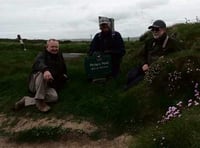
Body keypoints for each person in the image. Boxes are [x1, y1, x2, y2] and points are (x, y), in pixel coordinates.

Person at [125, 20, 182, 90]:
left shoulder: (171, 43)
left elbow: (180, 55)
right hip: (145, 67)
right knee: (130, 75)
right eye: (152, 29)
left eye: (157, 29)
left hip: (156, 71)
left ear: (164, 30)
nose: (154, 31)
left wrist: (165, 59)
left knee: (134, 84)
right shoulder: (149, 42)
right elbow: (142, 55)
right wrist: (144, 64)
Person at [14, 39, 68, 112]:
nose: (55, 49)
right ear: (47, 47)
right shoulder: (41, 55)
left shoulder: (59, 55)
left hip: (48, 84)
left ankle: (26, 100)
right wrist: (45, 70)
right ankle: (40, 101)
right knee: (43, 73)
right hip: (35, 84)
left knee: (54, 97)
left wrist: (64, 75)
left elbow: (62, 67)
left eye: (56, 47)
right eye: (52, 47)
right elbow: (39, 63)